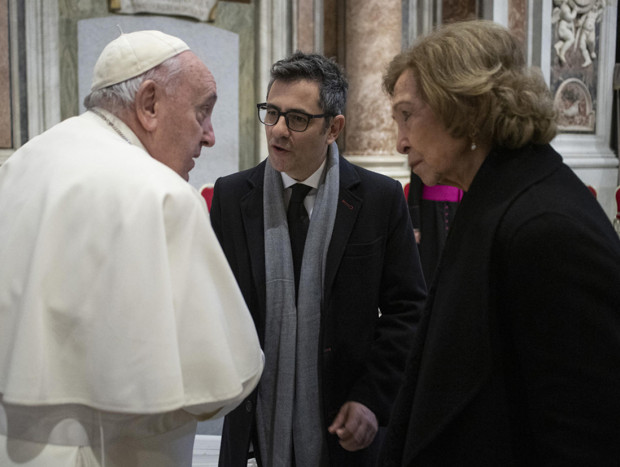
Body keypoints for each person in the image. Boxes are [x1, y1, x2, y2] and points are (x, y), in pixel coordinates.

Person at [0, 30, 263, 467]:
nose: (210, 136)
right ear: (150, 104)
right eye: (203, 112)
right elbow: (222, 382)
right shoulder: (161, 194)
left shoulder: (21, 165)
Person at [380, 19, 620, 465]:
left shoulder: (545, 228)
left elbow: (585, 433)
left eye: (407, 115)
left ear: (464, 106)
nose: (399, 142)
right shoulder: (499, 201)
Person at [210, 51, 427, 467]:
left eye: (297, 119)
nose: (277, 130)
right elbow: (213, 304)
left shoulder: (378, 200)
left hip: (345, 425)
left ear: (334, 128)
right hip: (253, 432)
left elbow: (408, 310)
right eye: (271, 113)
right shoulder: (233, 197)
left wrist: (370, 398)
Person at [407, 171, 463, 283]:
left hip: (457, 209)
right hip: (430, 213)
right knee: (432, 259)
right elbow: (414, 189)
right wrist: (415, 226)